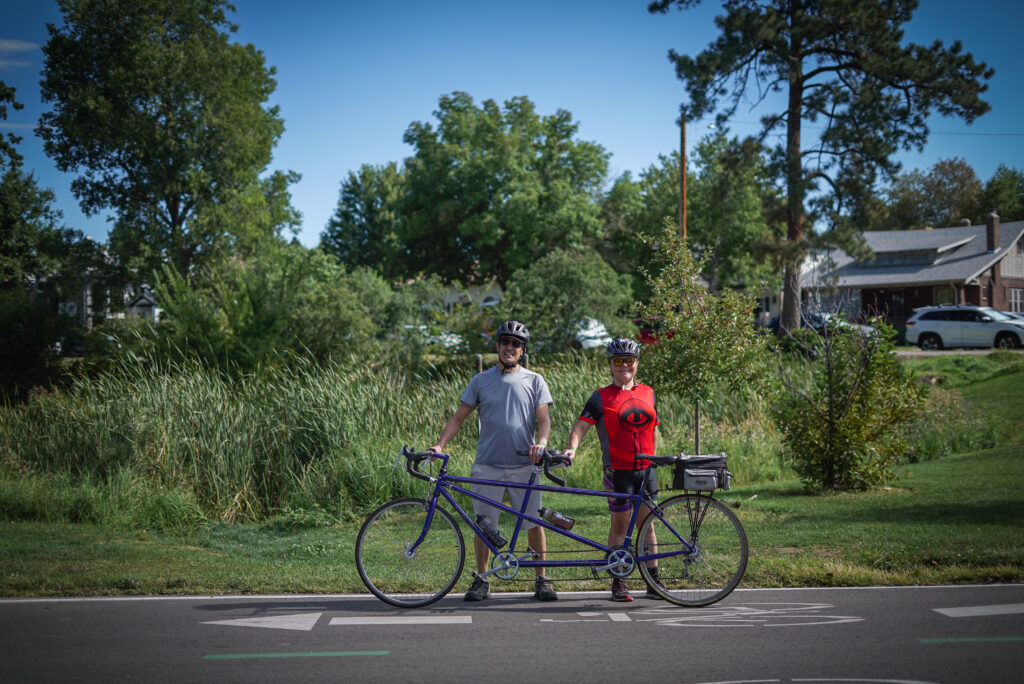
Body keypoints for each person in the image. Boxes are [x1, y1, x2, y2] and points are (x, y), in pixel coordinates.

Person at [430, 320, 557, 602]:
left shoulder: (534, 380)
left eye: (516, 344)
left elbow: (544, 420)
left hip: (524, 465)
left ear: (522, 350)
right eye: (505, 342)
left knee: (533, 523)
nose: (509, 348)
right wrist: (439, 445)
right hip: (487, 465)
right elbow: (458, 418)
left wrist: (543, 443)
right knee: (484, 524)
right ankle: (482, 579)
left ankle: (541, 578)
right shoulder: (480, 381)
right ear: (497, 346)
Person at [562, 337, 664, 602]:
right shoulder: (601, 396)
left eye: (629, 360)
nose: (624, 366)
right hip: (618, 471)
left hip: (646, 469)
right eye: (618, 361)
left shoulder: (649, 392)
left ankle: (654, 582)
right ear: (610, 366)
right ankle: (619, 581)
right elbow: (580, 427)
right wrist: (571, 448)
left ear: (637, 363)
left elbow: (652, 428)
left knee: (648, 527)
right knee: (620, 526)